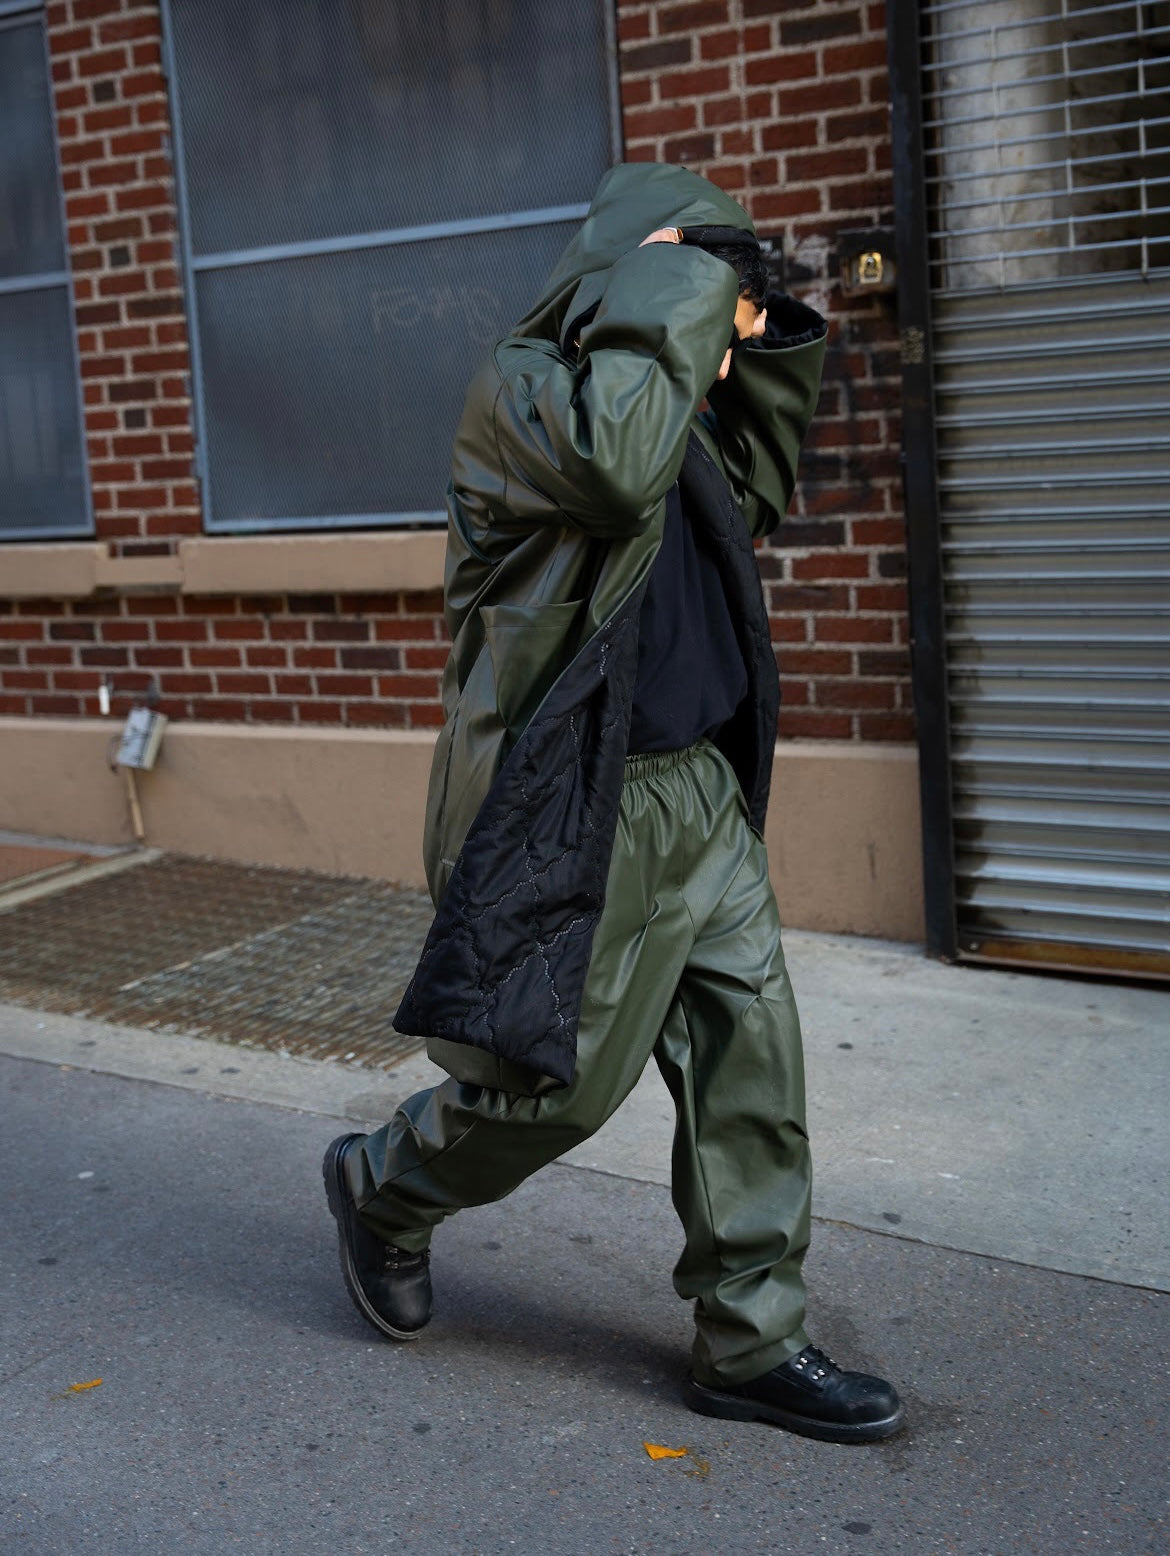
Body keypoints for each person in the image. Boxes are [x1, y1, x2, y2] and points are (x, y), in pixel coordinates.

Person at [323, 163, 903, 1444]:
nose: (715, 304)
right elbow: (611, 472)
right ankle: (383, 1184)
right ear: (628, 269)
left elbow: (749, 490)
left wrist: (762, 331)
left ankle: (751, 1338)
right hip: (587, 800)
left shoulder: (671, 396)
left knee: (755, 1064)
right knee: (555, 1094)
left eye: (721, 287)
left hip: (696, 788)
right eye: (698, 272)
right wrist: (677, 284)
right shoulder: (522, 396)